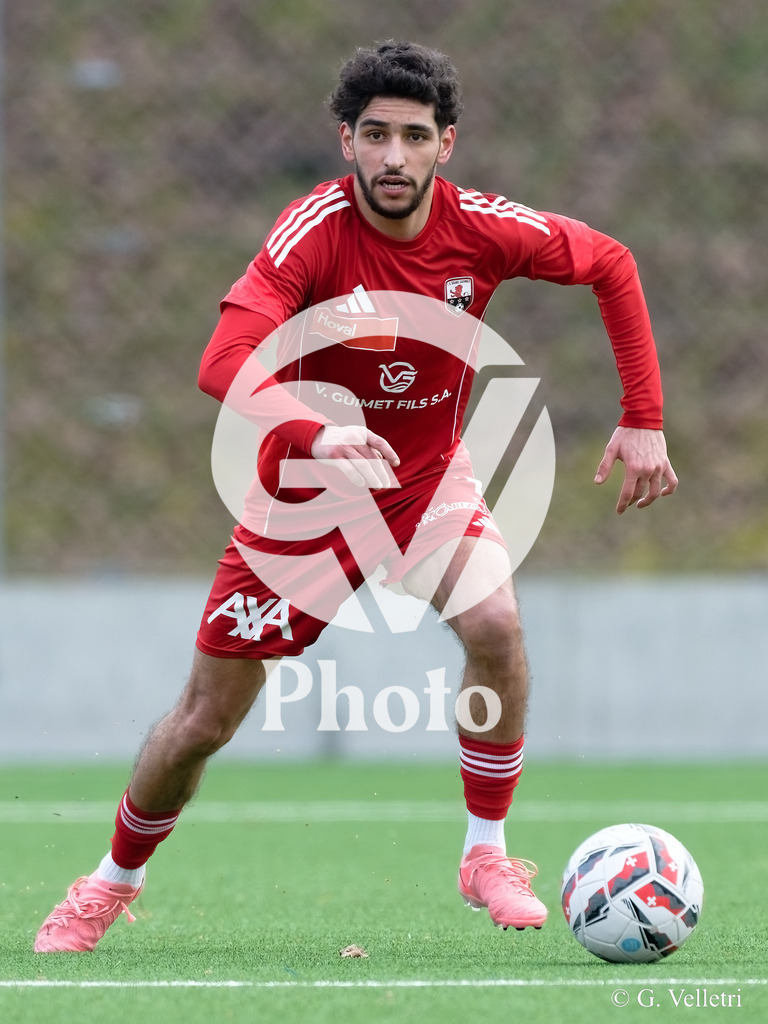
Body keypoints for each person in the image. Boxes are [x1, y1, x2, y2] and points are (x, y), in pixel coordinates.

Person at [34, 41, 677, 953]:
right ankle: (109, 882)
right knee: (202, 722)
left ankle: (486, 853)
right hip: (303, 504)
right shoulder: (312, 233)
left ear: (445, 145)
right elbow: (221, 362)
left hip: (423, 485)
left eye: (414, 136)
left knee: (495, 624)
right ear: (346, 140)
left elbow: (610, 260)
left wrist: (642, 415)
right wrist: (314, 428)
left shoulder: (483, 229)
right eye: (375, 134)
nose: (393, 156)